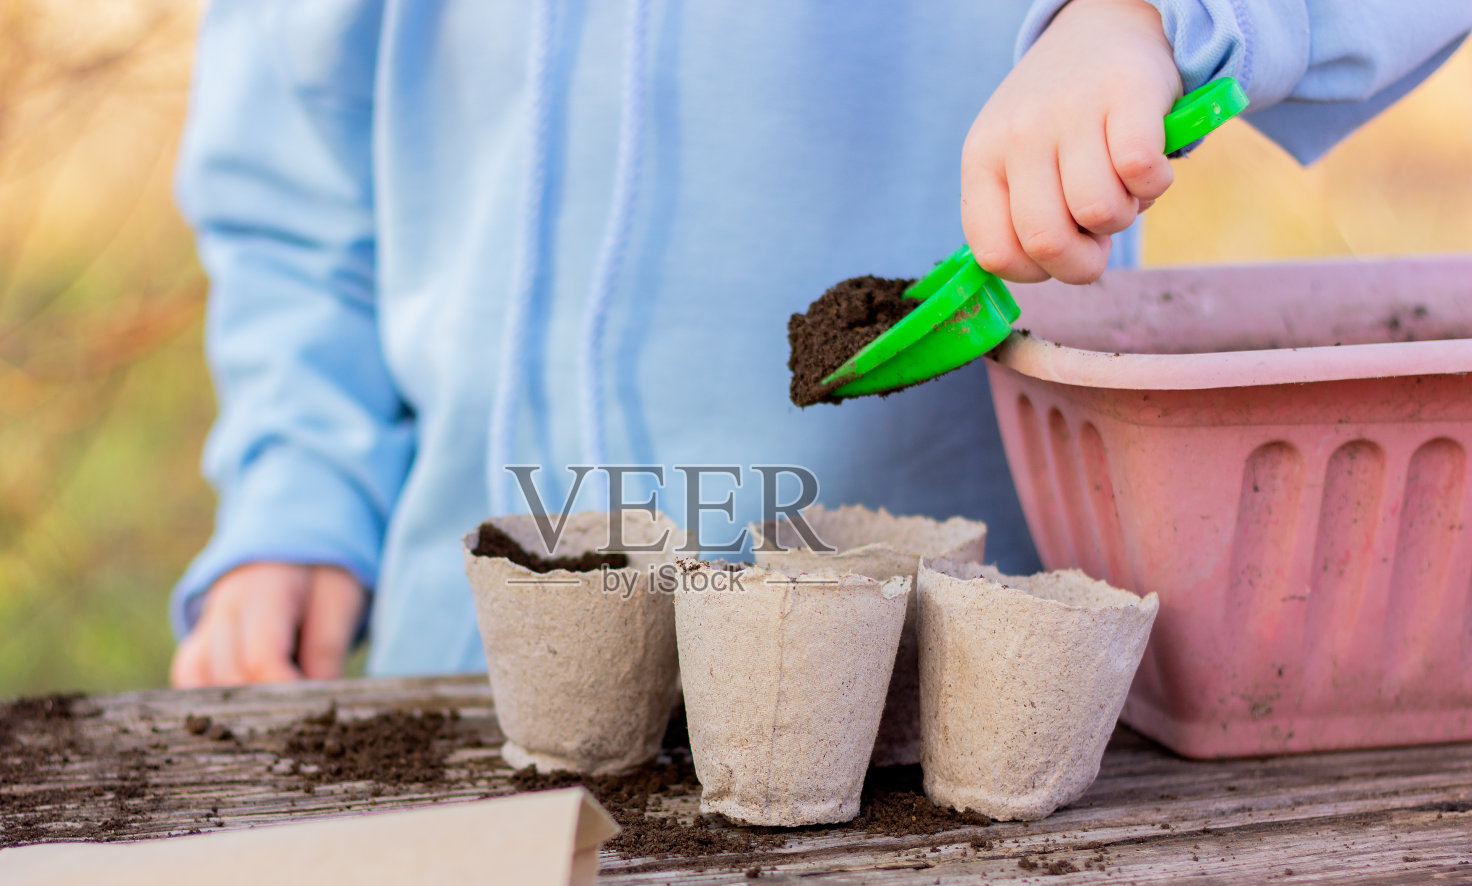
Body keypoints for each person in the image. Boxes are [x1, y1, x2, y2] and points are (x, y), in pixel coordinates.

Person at [168, 0, 1470, 688]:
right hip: (486, 663)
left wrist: (1140, 13)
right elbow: (297, 195)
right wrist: (302, 496)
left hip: (943, 687)